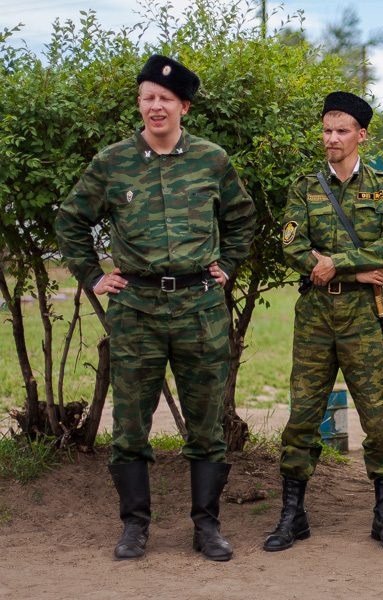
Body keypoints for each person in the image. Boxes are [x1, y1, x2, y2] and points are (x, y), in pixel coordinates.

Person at [55, 54, 257, 561]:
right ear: (140, 104)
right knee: (129, 427)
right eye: (148, 97)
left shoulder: (211, 159)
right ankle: (134, 526)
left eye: (166, 99)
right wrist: (95, 276)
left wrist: (228, 265)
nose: (156, 106)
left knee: (207, 424)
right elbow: (70, 221)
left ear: (183, 107)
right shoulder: (113, 161)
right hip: (137, 309)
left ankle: (207, 526)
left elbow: (242, 218)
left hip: (200, 308)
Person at [266, 91, 383, 553]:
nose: (332, 138)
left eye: (342, 130)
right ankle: (293, 515)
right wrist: (350, 267)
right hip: (314, 315)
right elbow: (291, 246)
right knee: (303, 414)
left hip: (363, 317)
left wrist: (338, 263)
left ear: (361, 135)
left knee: (378, 416)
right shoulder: (304, 187)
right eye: (327, 130)